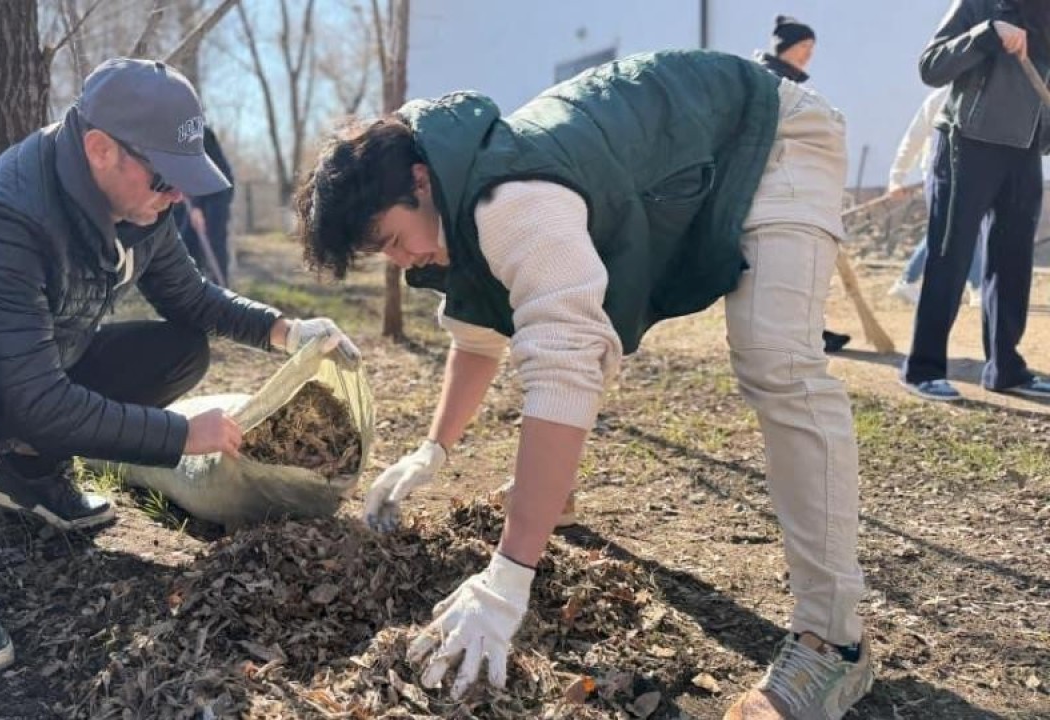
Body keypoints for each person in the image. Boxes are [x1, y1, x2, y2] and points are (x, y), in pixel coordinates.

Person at [297, 49, 872, 718]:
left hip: (770, 136)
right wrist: (434, 451)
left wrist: (509, 577)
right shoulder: (459, 200)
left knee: (777, 362)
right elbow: (478, 337)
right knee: (564, 332)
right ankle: (554, 494)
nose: (404, 261)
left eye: (396, 240)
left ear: (421, 180)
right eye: (386, 255)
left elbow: (567, 366)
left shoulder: (510, 201)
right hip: (693, 159)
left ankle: (834, 642)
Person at [0, 58, 358, 681]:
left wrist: (286, 331)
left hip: (16, 372)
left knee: (181, 347)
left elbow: (190, 298)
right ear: (101, 149)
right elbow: (36, 398)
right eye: (166, 177)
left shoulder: (141, 208)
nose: (177, 195)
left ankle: (28, 474)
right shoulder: (3, 219)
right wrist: (182, 437)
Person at [901, 0, 1050, 401]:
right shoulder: (980, 4)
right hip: (966, 144)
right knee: (950, 258)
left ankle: (1006, 369)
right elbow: (930, 66)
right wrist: (987, 33)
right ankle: (923, 368)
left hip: (1024, 150)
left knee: (1013, 262)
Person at [754, 15, 852, 355]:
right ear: (785, 47)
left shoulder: (787, 82)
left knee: (798, 267)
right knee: (783, 268)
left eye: (812, 48)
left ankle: (810, 332)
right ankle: (798, 335)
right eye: (803, 47)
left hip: (792, 188)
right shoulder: (767, 80)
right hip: (771, 189)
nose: (808, 54)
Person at [885, 87, 986, 308]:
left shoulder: (988, 91)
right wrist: (897, 178)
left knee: (951, 229)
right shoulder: (939, 97)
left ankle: (908, 280)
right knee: (961, 227)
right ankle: (977, 286)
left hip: (972, 175)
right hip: (939, 175)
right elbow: (914, 137)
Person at [173, 127, 236, 284]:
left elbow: (201, 170)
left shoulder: (195, 132)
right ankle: (198, 289)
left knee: (213, 244)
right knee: (187, 242)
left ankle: (221, 289)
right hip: (195, 195)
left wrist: (196, 207)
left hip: (216, 193)